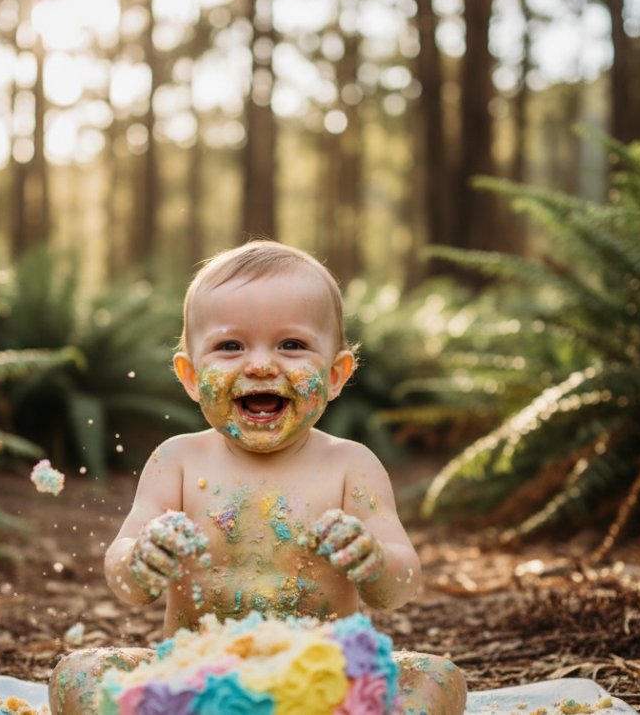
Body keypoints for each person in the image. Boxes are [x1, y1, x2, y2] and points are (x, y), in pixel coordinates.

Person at [49, 241, 467, 714]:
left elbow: (400, 586)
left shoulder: (352, 465)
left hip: (320, 686)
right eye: (230, 346)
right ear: (189, 376)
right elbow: (126, 582)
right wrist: (142, 558)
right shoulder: (177, 461)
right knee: (79, 673)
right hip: (196, 684)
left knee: (437, 676)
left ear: (335, 375)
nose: (262, 364)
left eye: (292, 345)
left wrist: (372, 561)